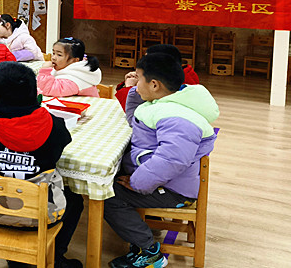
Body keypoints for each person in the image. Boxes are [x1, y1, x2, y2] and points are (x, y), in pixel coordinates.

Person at [104, 53, 218, 268]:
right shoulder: (164, 102)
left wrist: (138, 182)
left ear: (154, 84)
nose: (136, 84)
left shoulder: (177, 117)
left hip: (172, 189)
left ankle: (149, 251)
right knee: (107, 181)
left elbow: (172, 160)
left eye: (138, 79)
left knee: (107, 195)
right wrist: (135, 93)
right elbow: (135, 122)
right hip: (161, 180)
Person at [0, 62, 84, 268]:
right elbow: (60, 147)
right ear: (34, 93)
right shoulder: (52, 124)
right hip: (42, 216)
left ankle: (13, 257)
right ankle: (55, 256)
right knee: (75, 199)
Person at [115, 43, 200, 113]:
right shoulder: (180, 74)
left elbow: (136, 112)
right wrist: (142, 77)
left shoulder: (177, 85)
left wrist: (129, 87)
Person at [37, 37, 101, 97]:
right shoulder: (65, 68)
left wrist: (44, 72)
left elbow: (48, 90)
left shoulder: (75, 78)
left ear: (75, 60)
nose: (53, 58)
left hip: (86, 108)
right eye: (53, 53)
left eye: (59, 55)